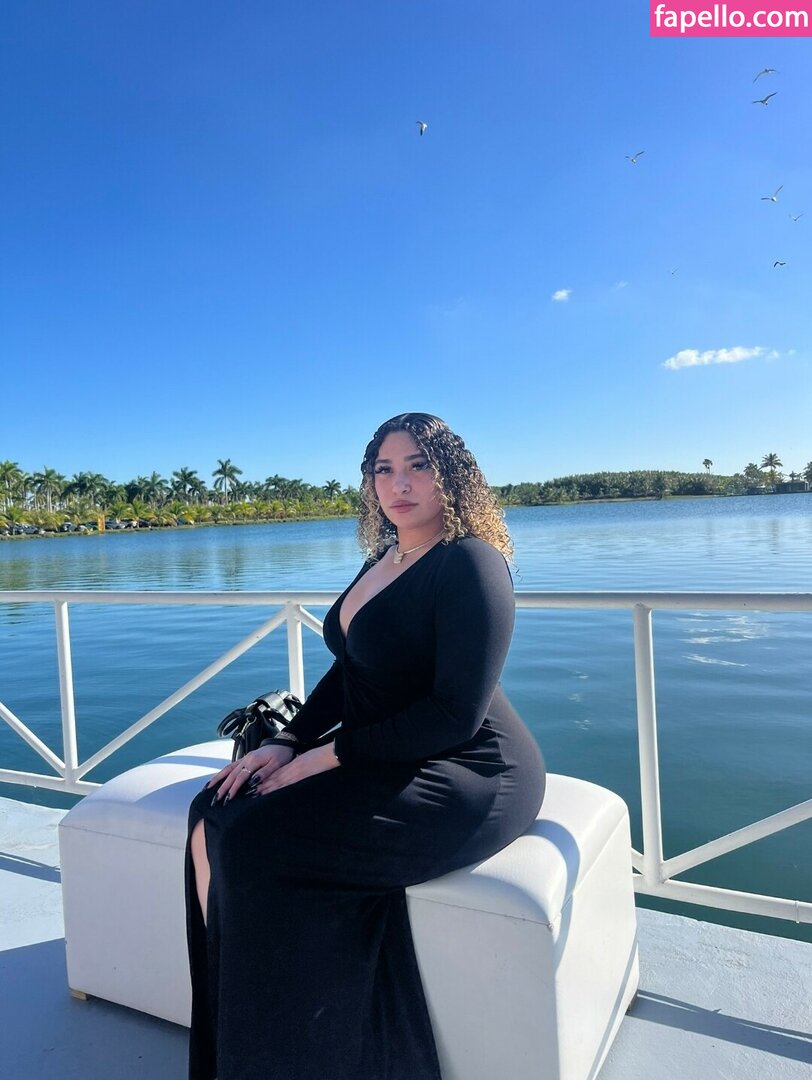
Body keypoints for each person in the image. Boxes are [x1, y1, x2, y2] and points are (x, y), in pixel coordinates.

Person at [186, 412, 546, 1080]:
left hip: (471, 771)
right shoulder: (384, 558)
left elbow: (455, 714)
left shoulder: (471, 562)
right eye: (384, 469)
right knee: (215, 808)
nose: (399, 484)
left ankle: (289, 1051)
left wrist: (325, 757)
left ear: (451, 476)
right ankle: (234, 1030)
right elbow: (348, 669)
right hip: (387, 750)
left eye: (418, 466)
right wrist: (288, 742)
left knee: (257, 840)